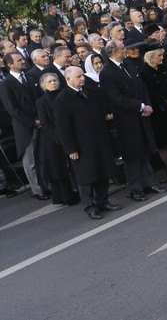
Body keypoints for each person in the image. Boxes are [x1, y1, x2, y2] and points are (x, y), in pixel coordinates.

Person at [100, 40, 166, 202]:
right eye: (123, 49)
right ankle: (136, 188)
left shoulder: (128, 64)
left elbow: (141, 86)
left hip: (141, 116)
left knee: (144, 151)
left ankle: (149, 183)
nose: (126, 51)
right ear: (114, 52)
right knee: (132, 156)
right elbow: (116, 98)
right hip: (126, 120)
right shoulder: (107, 73)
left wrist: (147, 104)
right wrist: (141, 106)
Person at [54, 66, 120, 220]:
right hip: (81, 145)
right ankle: (90, 207)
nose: (82, 78)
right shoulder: (62, 99)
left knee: (103, 172)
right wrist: (71, 149)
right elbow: (63, 128)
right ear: (68, 79)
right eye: (78, 77)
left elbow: (100, 110)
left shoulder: (89, 91)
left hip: (99, 139)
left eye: (82, 75)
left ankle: (103, 201)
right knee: (86, 178)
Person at [0, 51, 49, 199]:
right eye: (19, 60)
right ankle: (37, 190)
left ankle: (47, 186)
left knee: (43, 157)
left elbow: (37, 99)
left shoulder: (28, 76)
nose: (23, 61)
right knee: (31, 160)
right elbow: (12, 109)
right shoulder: (6, 84)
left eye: (22, 59)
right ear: (10, 65)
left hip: (40, 122)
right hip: (25, 128)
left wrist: (41, 118)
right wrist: (32, 121)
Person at [140, 48, 167, 184]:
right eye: (159, 55)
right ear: (151, 56)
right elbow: (151, 93)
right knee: (163, 143)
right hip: (159, 112)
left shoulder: (164, 68)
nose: (161, 58)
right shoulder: (144, 72)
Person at [35, 73, 78, 205]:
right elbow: (45, 123)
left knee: (74, 166)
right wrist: (60, 137)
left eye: (55, 80)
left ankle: (78, 190)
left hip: (70, 135)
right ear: (44, 85)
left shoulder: (65, 96)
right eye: (49, 82)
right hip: (53, 139)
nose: (53, 83)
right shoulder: (41, 102)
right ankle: (65, 197)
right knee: (58, 168)